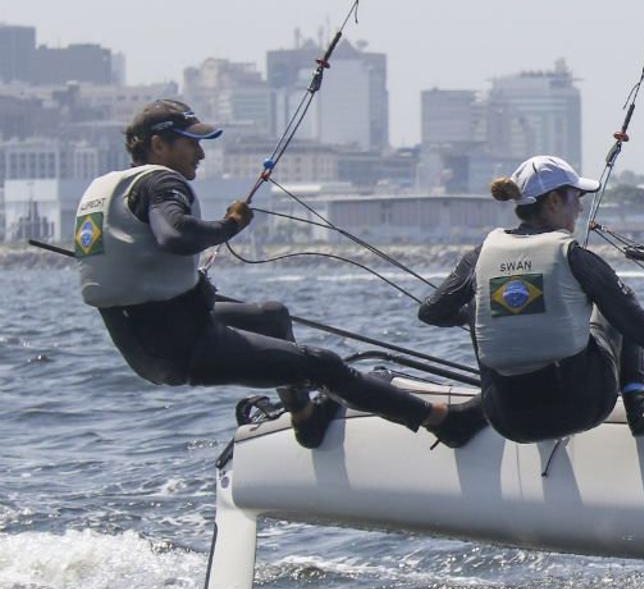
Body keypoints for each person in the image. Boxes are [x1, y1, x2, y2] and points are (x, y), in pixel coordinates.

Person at [74, 99, 488, 450]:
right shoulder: (161, 182)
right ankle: (444, 422)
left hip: (150, 340)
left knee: (271, 316)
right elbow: (176, 235)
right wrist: (230, 225)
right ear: (158, 144)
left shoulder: (104, 188)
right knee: (324, 364)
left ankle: (305, 418)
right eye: (191, 144)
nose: (200, 154)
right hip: (185, 346)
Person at [417, 154, 644, 443]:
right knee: (619, 306)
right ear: (554, 201)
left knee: (483, 305)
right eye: (576, 198)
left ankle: (491, 413)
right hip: (580, 407)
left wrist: (480, 317)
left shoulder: (480, 256)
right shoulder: (573, 256)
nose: (579, 209)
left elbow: (432, 312)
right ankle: (639, 406)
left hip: (508, 421)